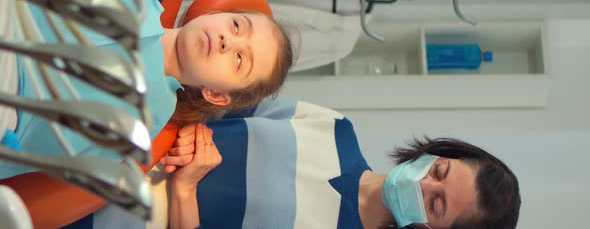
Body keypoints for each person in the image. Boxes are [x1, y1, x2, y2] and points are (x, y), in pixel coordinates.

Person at [0, 0, 294, 180]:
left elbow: (45, 142)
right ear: (214, 15)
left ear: (216, 94)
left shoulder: (146, 117)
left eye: (240, 60)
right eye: (236, 26)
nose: (227, 41)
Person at [157, 98, 521, 229]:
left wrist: (185, 190)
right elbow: (217, 102)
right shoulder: (335, 128)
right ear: (440, 153)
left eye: (435, 204)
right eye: (439, 171)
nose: (423, 184)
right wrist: (189, 126)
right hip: (131, 136)